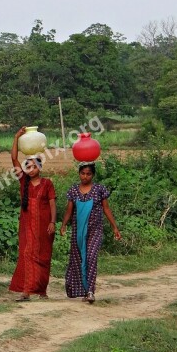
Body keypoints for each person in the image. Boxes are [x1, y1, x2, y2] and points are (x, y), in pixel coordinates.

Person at [60, 162, 121, 304]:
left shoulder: (99, 189)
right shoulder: (74, 190)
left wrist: (114, 227)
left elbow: (106, 209)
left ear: (93, 175)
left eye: (88, 174)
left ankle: (90, 291)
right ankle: (83, 290)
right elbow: (69, 210)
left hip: (95, 230)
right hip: (78, 232)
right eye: (83, 173)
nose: (85, 176)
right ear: (79, 173)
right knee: (79, 259)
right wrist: (63, 225)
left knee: (91, 257)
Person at [9, 127, 56, 301]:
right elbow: (14, 158)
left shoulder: (47, 184)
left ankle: (41, 290)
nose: (30, 168)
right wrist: (16, 137)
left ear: (40, 167)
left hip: (44, 227)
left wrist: (53, 222)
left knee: (43, 256)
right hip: (27, 227)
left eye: (34, 165)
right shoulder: (23, 181)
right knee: (27, 254)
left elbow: (52, 203)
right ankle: (26, 291)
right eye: (27, 166)